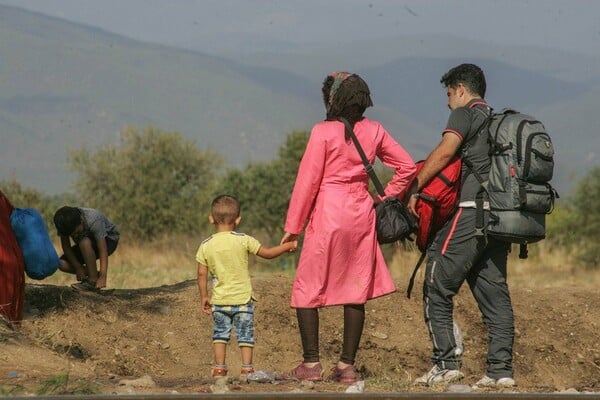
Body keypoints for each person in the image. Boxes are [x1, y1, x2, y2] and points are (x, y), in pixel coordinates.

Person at [280, 72, 416, 383]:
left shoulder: (322, 132)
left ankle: (311, 365)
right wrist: (383, 197)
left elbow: (307, 182)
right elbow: (407, 166)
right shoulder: (375, 130)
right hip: (361, 213)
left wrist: (294, 226)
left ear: (332, 99)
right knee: (356, 289)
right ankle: (346, 366)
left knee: (306, 286)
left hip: (328, 211)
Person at [407, 63, 516, 387]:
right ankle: (501, 372)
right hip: (499, 217)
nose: (447, 102)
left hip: (471, 211)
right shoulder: (495, 119)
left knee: (436, 281)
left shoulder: (465, 113)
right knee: (495, 296)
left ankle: (445, 363)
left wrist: (415, 186)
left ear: (460, 90)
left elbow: (444, 152)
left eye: (449, 94)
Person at [196, 194, 298, 379]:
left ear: (211, 219)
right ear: (238, 219)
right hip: (242, 299)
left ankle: (219, 368)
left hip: (219, 300)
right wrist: (287, 246)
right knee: (245, 335)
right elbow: (267, 253)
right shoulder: (244, 240)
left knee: (220, 334)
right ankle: (247, 369)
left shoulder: (206, 245)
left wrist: (204, 296)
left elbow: (201, 274)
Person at [53, 206, 120, 291]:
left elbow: (103, 250)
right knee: (61, 264)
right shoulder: (63, 224)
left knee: (83, 241)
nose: (76, 236)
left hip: (109, 241)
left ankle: (92, 280)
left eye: (77, 232)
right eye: (72, 235)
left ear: (81, 220)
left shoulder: (94, 219)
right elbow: (66, 247)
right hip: (86, 246)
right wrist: (78, 267)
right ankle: (94, 274)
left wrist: (103, 276)